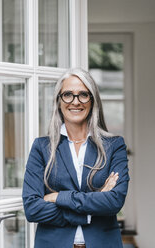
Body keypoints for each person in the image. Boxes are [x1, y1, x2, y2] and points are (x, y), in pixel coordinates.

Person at [22, 68, 129, 248]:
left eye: (83, 95)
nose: (75, 101)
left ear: (92, 100)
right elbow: (33, 209)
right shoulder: (41, 147)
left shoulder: (114, 145)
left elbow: (114, 202)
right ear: (58, 101)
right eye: (68, 95)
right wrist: (91, 206)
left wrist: (57, 197)